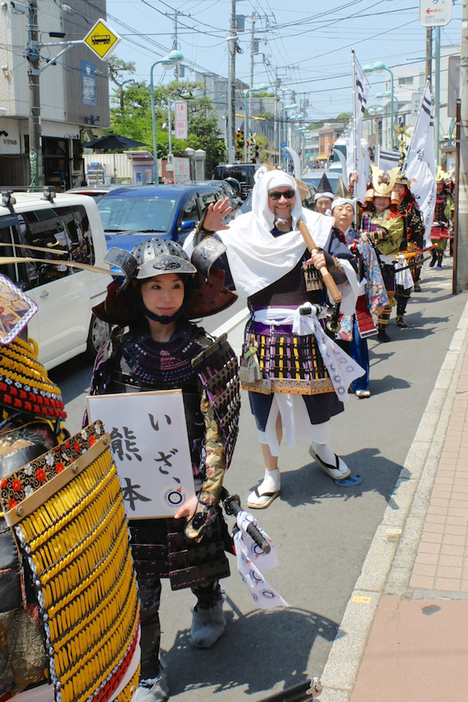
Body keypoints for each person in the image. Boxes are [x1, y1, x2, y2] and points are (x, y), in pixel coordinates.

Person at [88, 239, 240, 702]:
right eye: (156, 286)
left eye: (176, 285)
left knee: (199, 563)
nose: (167, 296)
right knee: (141, 585)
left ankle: (211, 606)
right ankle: (149, 673)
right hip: (134, 490)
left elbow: (221, 431)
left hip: (191, 483)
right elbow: (96, 423)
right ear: (138, 290)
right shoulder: (115, 349)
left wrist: (206, 492)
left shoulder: (205, 350)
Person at [186, 167, 363, 510]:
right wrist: (205, 230)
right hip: (263, 332)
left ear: (296, 196)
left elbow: (348, 268)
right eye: (275, 195)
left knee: (319, 399)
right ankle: (271, 473)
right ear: (264, 198)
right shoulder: (241, 233)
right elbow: (199, 261)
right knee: (264, 407)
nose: (283, 201)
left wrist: (326, 258)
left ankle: (322, 448)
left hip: (309, 328)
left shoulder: (319, 228)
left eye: (288, 194)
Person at [332, 186, 388, 399]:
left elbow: (373, 268)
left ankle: (362, 382)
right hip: (333, 300)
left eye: (349, 209)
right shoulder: (325, 239)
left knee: (358, 341)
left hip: (357, 298)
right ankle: (342, 382)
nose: (345, 213)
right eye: (340, 209)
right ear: (332, 213)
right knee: (335, 343)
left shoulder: (362, 239)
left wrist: (379, 298)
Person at [359, 166, 404, 343]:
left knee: (386, 297)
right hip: (366, 262)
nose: (381, 201)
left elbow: (387, 234)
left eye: (385, 198)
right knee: (365, 295)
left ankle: (382, 329)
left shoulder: (395, 218)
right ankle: (369, 325)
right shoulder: (364, 216)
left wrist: (368, 237)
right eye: (378, 197)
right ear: (372, 198)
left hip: (384, 262)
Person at [393, 173, 425, 323]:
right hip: (387, 250)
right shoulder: (385, 204)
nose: (397, 190)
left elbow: (418, 231)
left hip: (407, 249)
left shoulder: (411, 207)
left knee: (405, 285)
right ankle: (383, 321)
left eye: (400, 187)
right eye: (395, 187)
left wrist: (418, 252)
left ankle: (400, 315)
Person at [430, 167, 454, 270]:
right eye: (436, 184)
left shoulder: (446, 196)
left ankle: (439, 262)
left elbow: (450, 207)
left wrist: (448, 210)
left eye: (440, 184)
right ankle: (433, 256)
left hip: (443, 223)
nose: (438, 186)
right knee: (431, 244)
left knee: (441, 245)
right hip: (432, 223)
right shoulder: (430, 195)